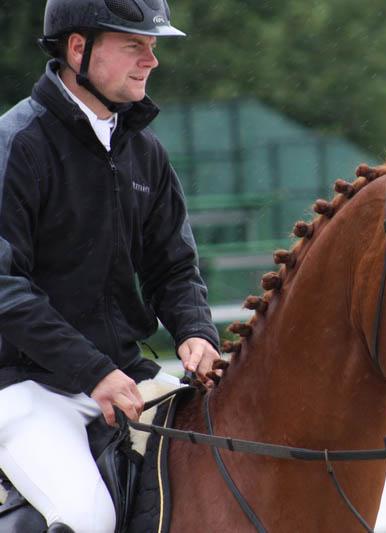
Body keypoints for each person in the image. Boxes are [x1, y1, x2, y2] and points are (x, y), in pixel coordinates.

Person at [0, 0, 221, 531]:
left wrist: (195, 331)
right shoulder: (16, 145)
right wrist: (91, 370)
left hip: (127, 376)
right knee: (88, 518)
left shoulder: (145, 153)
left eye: (153, 47)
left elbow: (174, 267)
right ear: (79, 49)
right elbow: (4, 287)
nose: (152, 60)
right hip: (26, 386)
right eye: (134, 45)